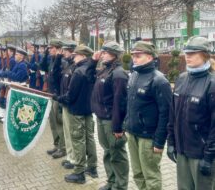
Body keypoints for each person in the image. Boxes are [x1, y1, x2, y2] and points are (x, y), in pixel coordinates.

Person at [167, 36, 215, 190]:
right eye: (187, 52)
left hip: (201, 154)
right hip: (182, 151)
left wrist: (209, 157)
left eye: (193, 53)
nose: (188, 56)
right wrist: (171, 141)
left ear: (205, 55)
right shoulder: (181, 79)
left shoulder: (212, 84)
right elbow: (173, 115)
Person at [125, 41, 172, 190]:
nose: (134, 58)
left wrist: (159, 141)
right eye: (133, 55)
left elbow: (166, 113)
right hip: (132, 134)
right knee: (137, 173)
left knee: (151, 175)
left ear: (150, 57)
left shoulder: (159, 80)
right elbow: (130, 104)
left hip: (148, 137)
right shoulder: (134, 75)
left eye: (138, 55)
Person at [54, 45, 98, 184]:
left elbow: (70, 96)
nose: (74, 57)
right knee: (89, 139)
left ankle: (79, 172)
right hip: (88, 110)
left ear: (83, 56)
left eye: (76, 55)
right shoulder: (91, 69)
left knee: (78, 140)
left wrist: (58, 98)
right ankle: (92, 167)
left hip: (77, 111)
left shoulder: (79, 71)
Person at [91, 41, 129, 190]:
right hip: (101, 118)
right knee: (108, 152)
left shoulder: (119, 74)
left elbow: (120, 102)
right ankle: (112, 182)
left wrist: (118, 126)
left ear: (113, 55)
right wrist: (93, 61)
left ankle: (120, 186)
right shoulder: (104, 70)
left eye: (105, 52)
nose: (102, 55)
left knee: (117, 154)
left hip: (111, 121)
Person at [42, 39, 66, 159]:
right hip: (51, 94)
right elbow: (42, 67)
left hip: (57, 96)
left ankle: (63, 147)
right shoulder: (51, 60)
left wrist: (58, 57)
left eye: (51, 48)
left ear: (57, 49)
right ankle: (56, 144)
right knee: (52, 122)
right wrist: (46, 54)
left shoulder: (61, 61)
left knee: (58, 122)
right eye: (49, 48)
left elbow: (57, 76)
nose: (49, 50)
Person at [59, 40, 77, 169]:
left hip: (70, 104)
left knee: (72, 133)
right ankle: (70, 156)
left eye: (65, 50)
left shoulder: (75, 67)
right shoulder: (67, 65)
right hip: (65, 102)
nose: (63, 52)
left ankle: (74, 159)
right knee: (67, 132)